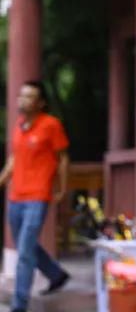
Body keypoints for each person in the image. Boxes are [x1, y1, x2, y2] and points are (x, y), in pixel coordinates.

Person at [0, 81, 71, 312]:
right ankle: (56, 274)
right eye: (21, 96)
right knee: (26, 246)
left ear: (40, 103)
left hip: (37, 196)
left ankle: (19, 306)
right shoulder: (19, 126)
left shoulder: (51, 125)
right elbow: (14, 160)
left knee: (25, 253)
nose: (23, 100)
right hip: (15, 197)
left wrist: (62, 187)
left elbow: (62, 158)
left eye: (29, 97)